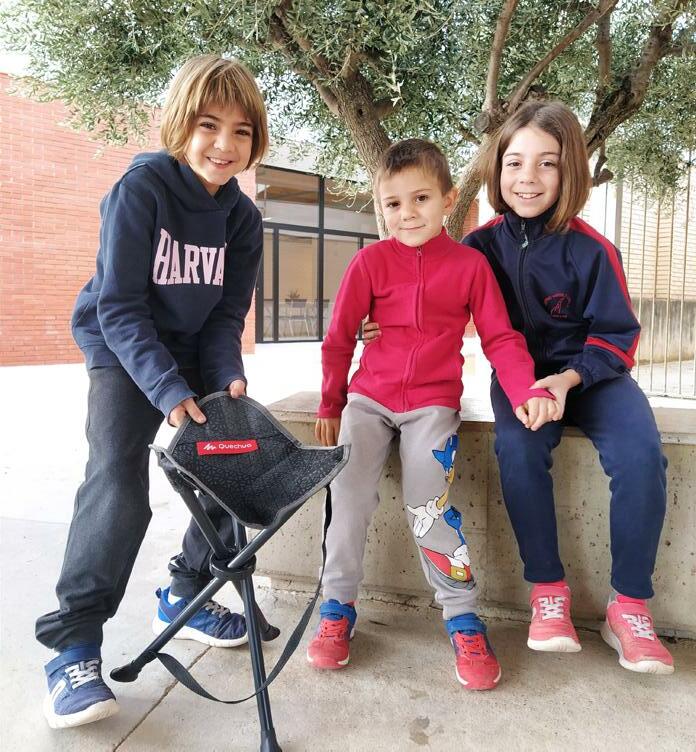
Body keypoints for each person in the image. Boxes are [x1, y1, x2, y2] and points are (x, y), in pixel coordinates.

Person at [367, 101, 674, 675]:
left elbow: (619, 336)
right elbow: (433, 295)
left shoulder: (593, 249)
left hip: (594, 378)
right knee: (518, 448)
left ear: (569, 171)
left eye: (546, 163)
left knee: (641, 457)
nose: (527, 177)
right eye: (514, 162)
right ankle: (548, 591)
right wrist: (381, 322)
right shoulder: (480, 246)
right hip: (522, 380)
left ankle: (629, 606)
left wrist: (570, 378)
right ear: (497, 169)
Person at [36, 54, 270, 729]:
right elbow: (120, 306)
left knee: (232, 453)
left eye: (241, 131)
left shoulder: (242, 219)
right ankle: (73, 646)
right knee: (117, 478)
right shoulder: (142, 189)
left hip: (193, 347)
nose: (224, 144)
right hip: (121, 346)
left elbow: (225, 317)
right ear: (178, 124)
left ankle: (187, 590)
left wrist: (225, 377)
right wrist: (167, 390)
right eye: (208, 125)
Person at [308, 138, 557, 690]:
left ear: (448, 199)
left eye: (420, 198)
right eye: (393, 203)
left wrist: (524, 390)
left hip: (432, 405)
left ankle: (462, 616)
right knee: (347, 496)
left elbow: (501, 337)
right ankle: (337, 607)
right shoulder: (369, 262)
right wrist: (331, 402)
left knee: (430, 505)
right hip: (367, 401)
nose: (407, 213)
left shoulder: (470, 266)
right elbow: (339, 337)